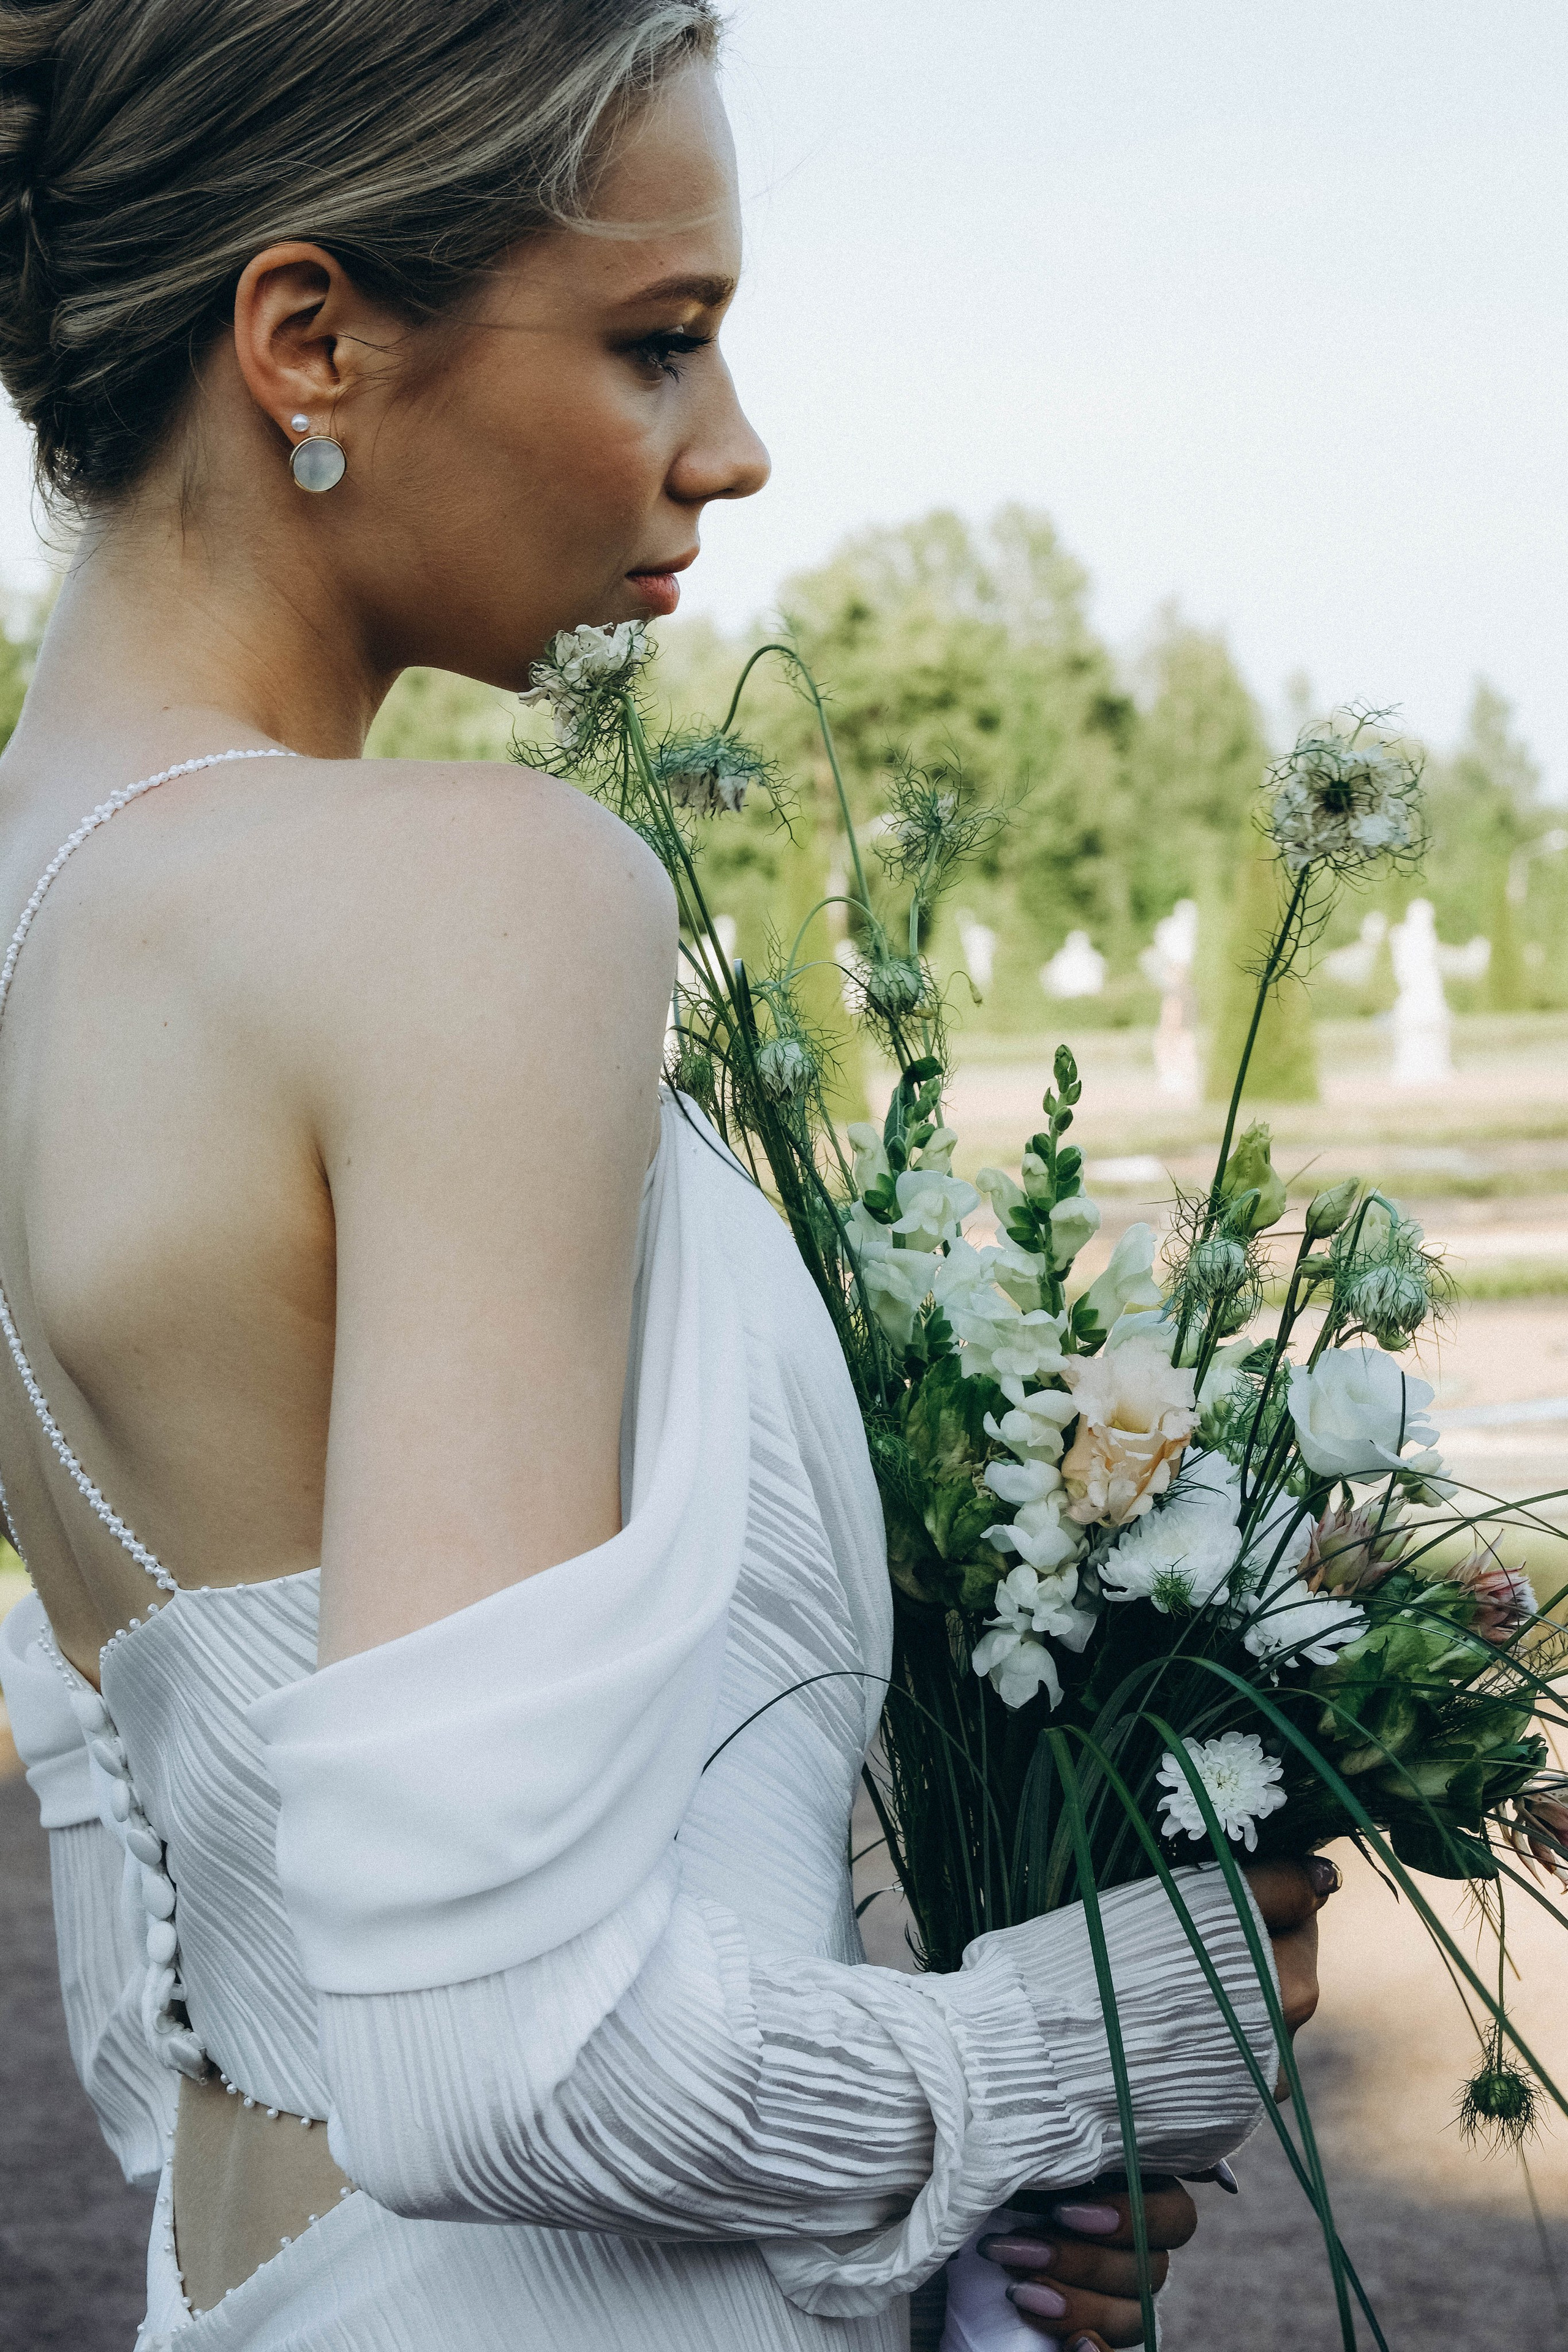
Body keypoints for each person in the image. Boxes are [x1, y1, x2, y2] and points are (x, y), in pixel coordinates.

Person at [0, 4, 1330, 2345]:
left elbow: (161, 1993)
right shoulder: (469, 894)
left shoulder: (49, 924)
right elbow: (504, 2068)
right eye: (655, 341)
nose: (732, 451)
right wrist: (1100, 2031)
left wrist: (947, 2247)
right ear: (306, 339)